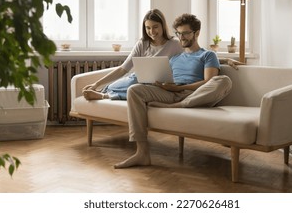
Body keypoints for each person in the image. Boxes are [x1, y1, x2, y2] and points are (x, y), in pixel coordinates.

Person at [114, 13, 232, 169]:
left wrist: (180, 88)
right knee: (134, 90)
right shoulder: (174, 57)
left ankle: (181, 105)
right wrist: (162, 84)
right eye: (179, 33)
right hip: (171, 93)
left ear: (196, 33)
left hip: (195, 94)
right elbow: (166, 78)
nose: (181, 37)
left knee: (224, 80)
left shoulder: (208, 55)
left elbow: (208, 82)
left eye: (185, 33)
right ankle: (142, 153)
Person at [82, 9, 183, 100]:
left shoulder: (175, 43)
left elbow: (183, 68)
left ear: (163, 26)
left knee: (138, 90)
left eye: (155, 27)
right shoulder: (142, 43)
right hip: (138, 80)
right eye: (148, 28)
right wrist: (96, 84)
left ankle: (104, 95)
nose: (152, 31)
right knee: (113, 87)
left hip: (160, 85)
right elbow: (123, 69)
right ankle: (102, 92)